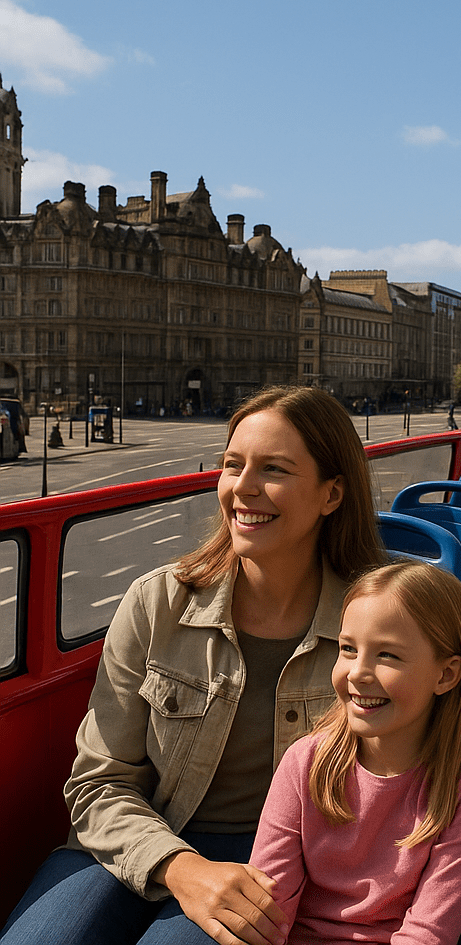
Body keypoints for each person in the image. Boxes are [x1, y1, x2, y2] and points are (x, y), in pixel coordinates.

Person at [1, 386, 388, 945]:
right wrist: (180, 868)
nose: (243, 488)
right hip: (138, 837)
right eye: (233, 465)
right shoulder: (157, 602)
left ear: (332, 494)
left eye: (274, 470)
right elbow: (98, 781)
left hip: (272, 863)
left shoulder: (379, 623)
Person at [250, 561, 461, 944]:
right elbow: (265, 912)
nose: (357, 672)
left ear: (446, 674)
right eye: (348, 649)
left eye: (387, 655)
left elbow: (428, 932)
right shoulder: (304, 761)